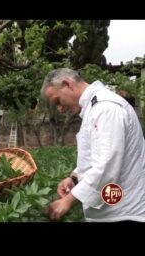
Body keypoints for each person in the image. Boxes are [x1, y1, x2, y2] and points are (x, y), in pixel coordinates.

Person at [41, 68, 145, 222]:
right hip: (114, 211)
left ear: (67, 84)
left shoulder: (105, 107)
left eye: (58, 101)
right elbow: (96, 155)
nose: (60, 108)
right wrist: (74, 178)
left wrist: (67, 201)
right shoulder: (94, 107)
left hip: (123, 213)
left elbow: (107, 165)